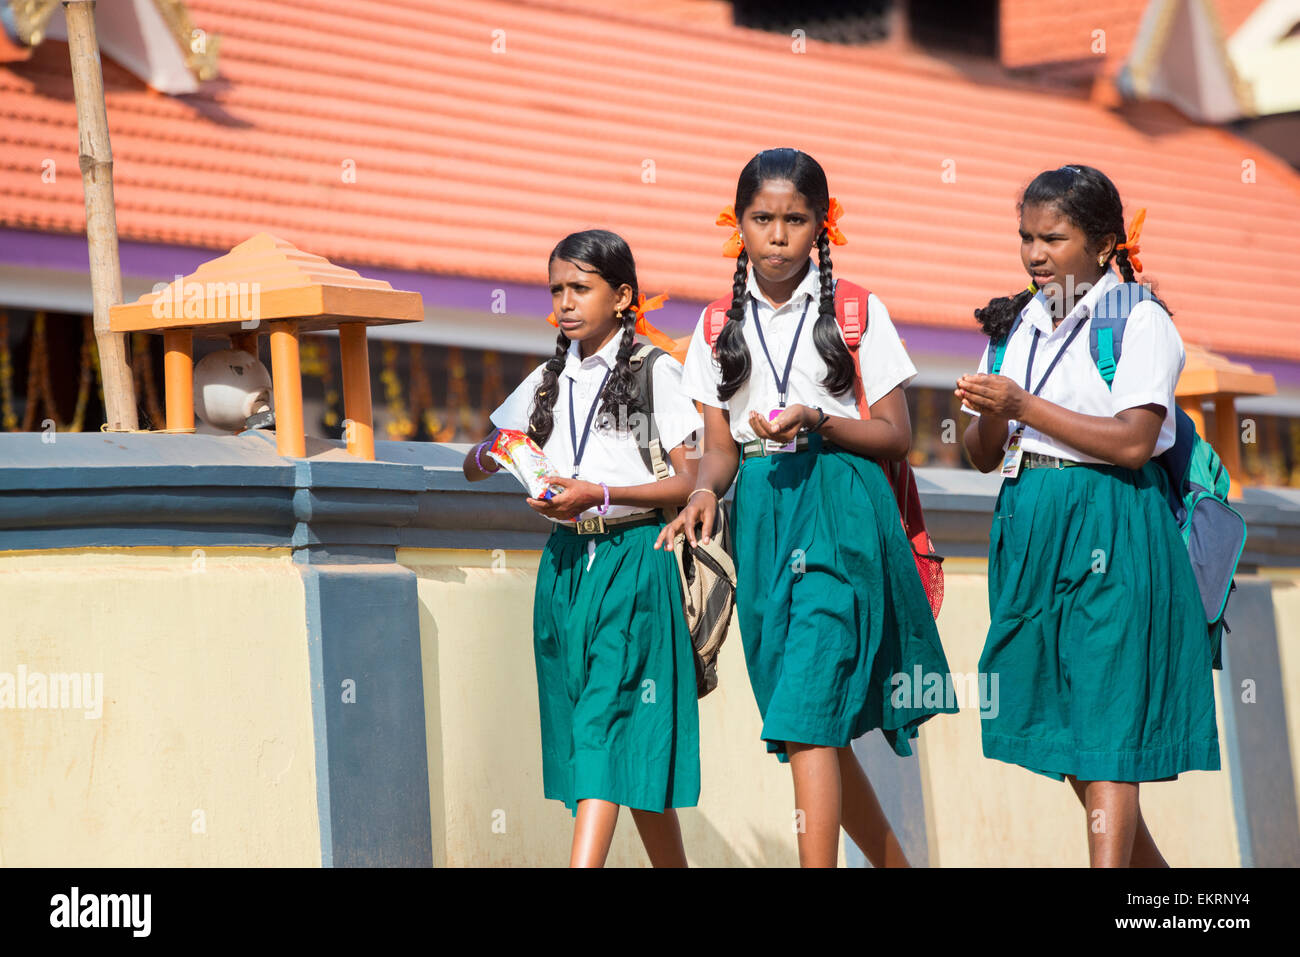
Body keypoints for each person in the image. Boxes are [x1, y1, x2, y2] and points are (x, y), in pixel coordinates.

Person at [658, 148, 956, 868]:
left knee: (809, 708)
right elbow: (721, 450)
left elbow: (897, 433)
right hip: (759, 515)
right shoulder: (712, 325)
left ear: (822, 225)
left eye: (796, 219)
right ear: (739, 226)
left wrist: (818, 420)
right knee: (804, 726)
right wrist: (702, 490)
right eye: (763, 218)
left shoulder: (855, 308)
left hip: (841, 509)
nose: (780, 234)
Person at [957, 164, 1220, 867]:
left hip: (1112, 527)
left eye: (1053, 238)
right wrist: (987, 410)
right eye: (1025, 237)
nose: (1034, 254)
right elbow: (980, 455)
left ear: (1104, 245)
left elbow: (1135, 441)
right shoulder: (1014, 323)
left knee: (1105, 731)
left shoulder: (1137, 320)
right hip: (1029, 527)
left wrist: (1021, 406)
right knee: (1059, 718)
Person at [463, 229, 703, 867]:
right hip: (565, 564)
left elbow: (690, 479)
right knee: (614, 738)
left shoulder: (657, 371)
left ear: (623, 296)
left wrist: (597, 491)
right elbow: (473, 461)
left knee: (602, 724)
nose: (565, 303)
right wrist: (502, 454)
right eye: (556, 290)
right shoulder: (548, 377)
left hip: (633, 560)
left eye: (581, 288)